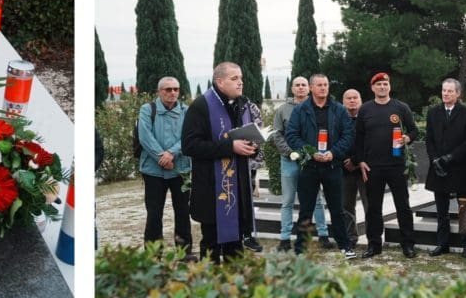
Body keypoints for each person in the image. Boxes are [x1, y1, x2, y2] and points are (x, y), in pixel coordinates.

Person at [181, 62, 259, 262]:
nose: (240, 83)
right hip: (212, 188)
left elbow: (244, 137)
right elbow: (190, 146)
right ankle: (210, 288)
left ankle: (235, 287)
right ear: (220, 81)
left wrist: (251, 146)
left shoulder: (243, 104)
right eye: (234, 79)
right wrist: (230, 147)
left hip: (238, 186)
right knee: (212, 245)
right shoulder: (200, 106)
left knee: (236, 245)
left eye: (241, 78)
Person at [285, 74, 357, 257]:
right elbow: (292, 135)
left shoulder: (339, 110)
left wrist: (333, 153)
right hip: (309, 166)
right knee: (306, 210)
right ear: (311, 88)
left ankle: (345, 246)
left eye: (326, 84)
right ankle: (300, 249)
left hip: (332, 166)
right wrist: (310, 152)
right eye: (319, 85)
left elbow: (348, 135)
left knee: (337, 209)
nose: (323, 88)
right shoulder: (301, 110)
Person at [356, 72, 420, 258]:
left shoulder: (401, 107)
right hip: (373, 167)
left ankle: (408, 244)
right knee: (374, 208)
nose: (382, 87)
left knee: (403, 206)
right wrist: (360, 161)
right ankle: (374, 245)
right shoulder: (365, 109)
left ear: (389, 87)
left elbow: (414, 130)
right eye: (378, 85)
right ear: (372, 88)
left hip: (397, 165)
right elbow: (358, 138)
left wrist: (408, 138)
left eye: (385, 84)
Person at [138, 76, 194, 256]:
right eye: (167, 89)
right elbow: (145, 136)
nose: (172, 93)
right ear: (159, 91)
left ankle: (184, 253)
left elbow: (189, 135)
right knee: (154, 214)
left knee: (183, 213)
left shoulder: (186, 111)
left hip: (181, 170)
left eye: (176, 89)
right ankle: (154, 255)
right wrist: (162, 157)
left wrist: (171, 154)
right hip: (153, 171)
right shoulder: (148, 110)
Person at [272, 76, 328, 251]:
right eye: (297, 85)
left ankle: (323, 234)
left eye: (304, 85)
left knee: (317, 199)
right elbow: (277, 134)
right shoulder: (282, 110)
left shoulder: (316, 107)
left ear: (309, 88)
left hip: (311, 161)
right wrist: (290, 152)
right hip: (289, 160)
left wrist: (314, 153)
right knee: (288, 200)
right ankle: (285, 238)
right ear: (292, 89)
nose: (301, 88)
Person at [425, 78, 466, 256]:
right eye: (443, 90)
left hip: (459, 168)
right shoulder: (433, 113)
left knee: (465, 208)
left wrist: (449, 157)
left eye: (449, 91)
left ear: (458, 93)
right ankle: (442, 243)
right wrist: (434, 160)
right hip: (438, 167)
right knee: (442, 211)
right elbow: (429, 139)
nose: (445, 94)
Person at [341, 88, 364, 246]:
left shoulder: (367, 118)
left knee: (370, 205)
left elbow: (371, 143)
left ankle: (373, 239)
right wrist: (345, 160)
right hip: (344, 168)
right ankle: (351, 237)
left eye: (355, 97)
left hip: (364, 168)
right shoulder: (338, 119)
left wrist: (356, 161)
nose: (352, 100)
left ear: (360, 100)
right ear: (344, 102)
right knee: (346, 205)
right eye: (348, 98)